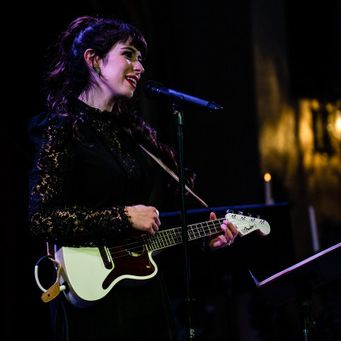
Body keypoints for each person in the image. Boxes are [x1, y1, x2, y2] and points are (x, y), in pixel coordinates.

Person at [27, 15, 239, 341]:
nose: (139, 67)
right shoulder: (62, 130)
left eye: (141, 59)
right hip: (94, 306)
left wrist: (204, 245)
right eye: (128, 54)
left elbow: (144, 242)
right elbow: (42, 218)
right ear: (94, 61)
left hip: (145, 297)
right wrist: (124, 216)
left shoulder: (129, 136)